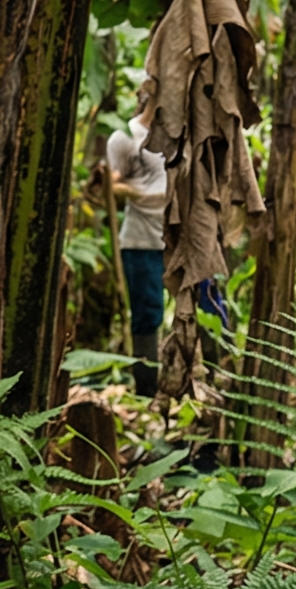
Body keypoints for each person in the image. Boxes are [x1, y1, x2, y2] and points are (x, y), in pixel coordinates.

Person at [103, 85, 168, 395]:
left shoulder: (180, 135)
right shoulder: (124, 137)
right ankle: (147, 391)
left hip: (179, 240)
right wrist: (145, 195)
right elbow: (112, 186)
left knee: (203, 306)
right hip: (141, 241)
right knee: (147, 314)